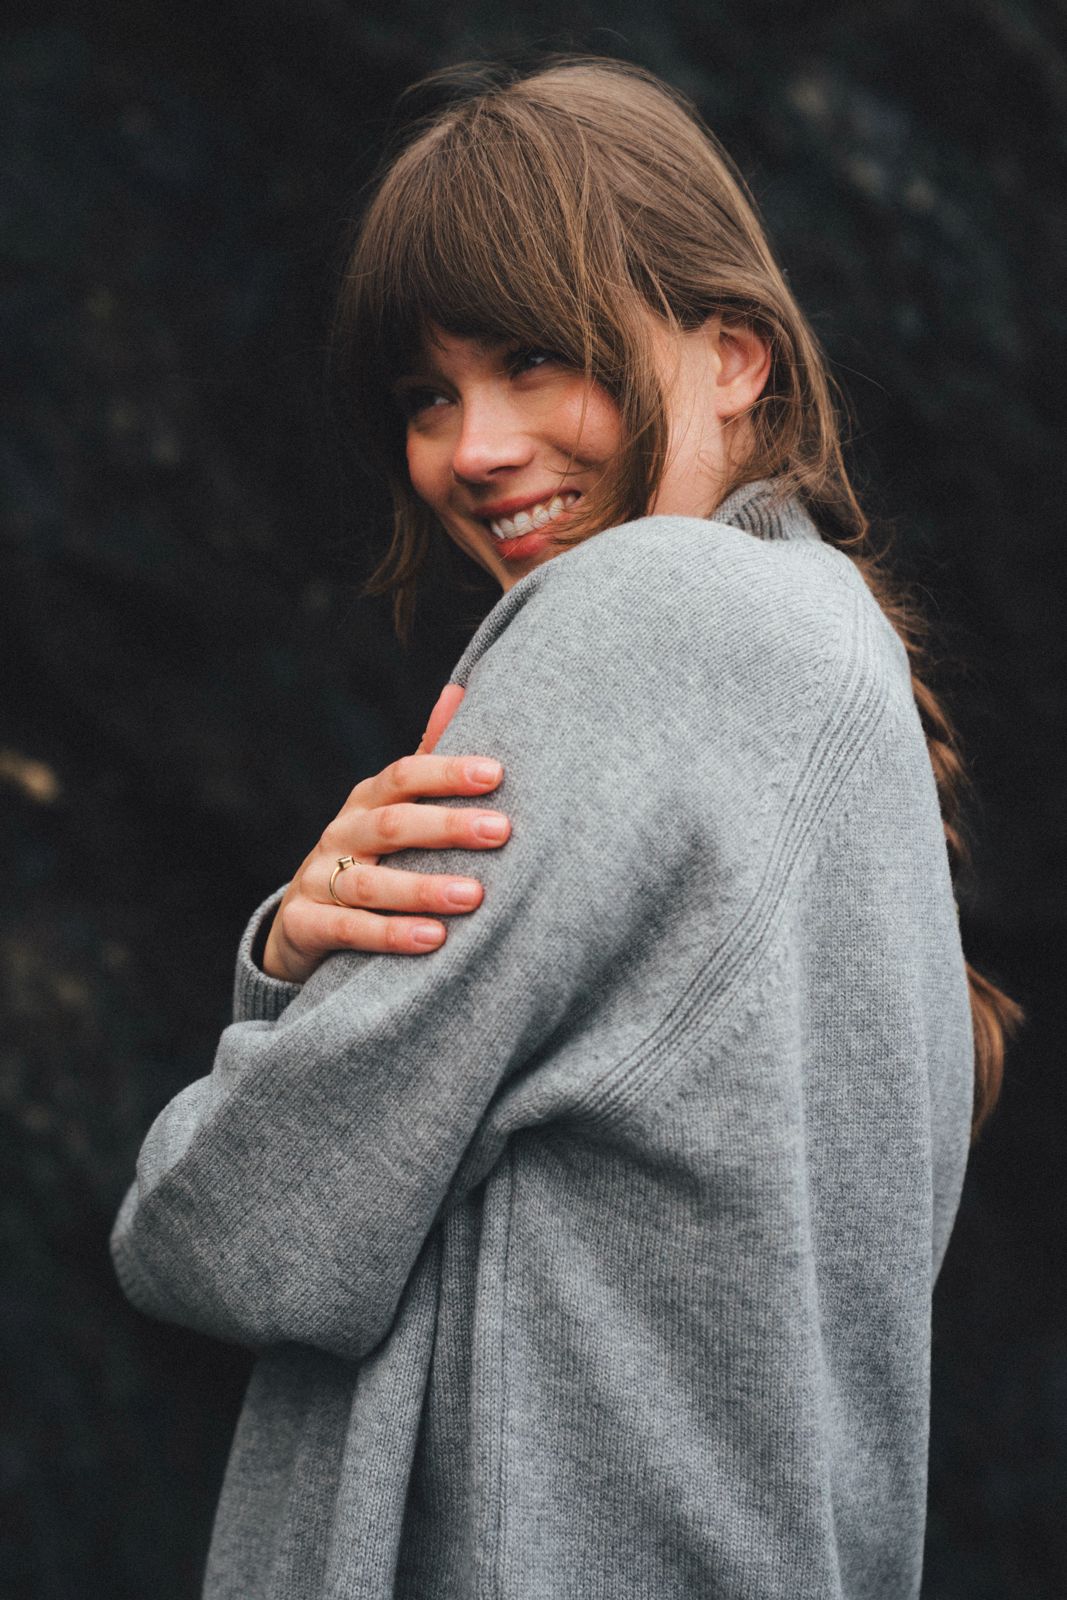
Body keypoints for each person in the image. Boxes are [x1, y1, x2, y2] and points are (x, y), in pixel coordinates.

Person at [110, 56, 1022, 1600]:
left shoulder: (641, 615)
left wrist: (270, 1002)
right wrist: (298, 948)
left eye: (537, 360)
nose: (472, 448)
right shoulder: (835, 664)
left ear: (734, 354)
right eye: (427, 395)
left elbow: (230, 1234)